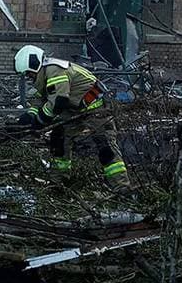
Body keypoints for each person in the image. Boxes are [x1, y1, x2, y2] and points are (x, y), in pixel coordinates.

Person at [14, 45, 127, 182]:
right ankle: (58, 183)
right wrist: (29, 116)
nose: (29, 77)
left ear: (34, 65)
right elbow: (41, 98)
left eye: (28, 73)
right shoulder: (45, 73)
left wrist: (40, 121)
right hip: (74, 110)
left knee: (106, 148)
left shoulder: (55, 70)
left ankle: (122, 187)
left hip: (95, 108)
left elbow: (59, 101)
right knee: (59, 142)